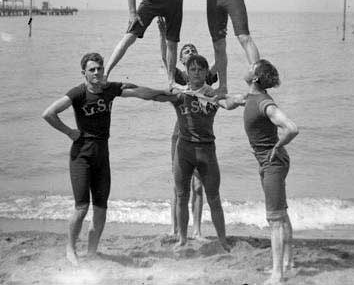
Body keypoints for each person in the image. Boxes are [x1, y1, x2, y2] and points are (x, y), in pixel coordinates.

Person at [41, 52, 170, 265]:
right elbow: (48, 113)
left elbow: (139, 93)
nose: (97, 72)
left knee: (101, 208)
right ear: (84, 73)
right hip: (81, 156)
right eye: (92, 69)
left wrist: (162, 92)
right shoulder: (78, 93)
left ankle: (92, 251)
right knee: (82, 208)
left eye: (99, 68)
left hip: (102, 156)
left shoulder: (110, 89)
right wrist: (69, 132)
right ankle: (70, 249)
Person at [133, 53, 235, 251]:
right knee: (181, 195)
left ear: (207, 72)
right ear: (187, 73)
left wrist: (240, 99)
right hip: (184, 151)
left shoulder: (213, 94)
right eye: (193, 70)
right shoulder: (180, 95)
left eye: (200, 69)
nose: (196, 73)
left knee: (213, 197)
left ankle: (222, 240)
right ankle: (182, 239)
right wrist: (127, 90)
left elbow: (228, 104)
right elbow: (154, 95)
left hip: (207, 152)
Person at [218, 60, 299, 284]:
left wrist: (278, 145)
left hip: (273, 163)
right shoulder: (251, 97)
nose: (246, 65)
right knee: (281, 213)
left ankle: (278, 274)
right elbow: (231, 101)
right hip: (268, 163)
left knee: (275, 219)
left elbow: (292, 128)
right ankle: (288, 263)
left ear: (255, 77)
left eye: (251, 65)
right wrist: (207, 94)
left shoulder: (264, 102)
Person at [157, 17, 218, 238]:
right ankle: (175, 228)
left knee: (199, 187)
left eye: (193, 49)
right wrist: (164, 36)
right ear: (182, 61)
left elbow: (220, 62)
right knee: (179, 186)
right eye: (186, 51)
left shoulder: (204, 77)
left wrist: (219, 36)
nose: (190, 51)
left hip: (202, 137)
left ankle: (198, 230)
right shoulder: (180, 78)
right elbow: (166, 57)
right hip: (180, 135)